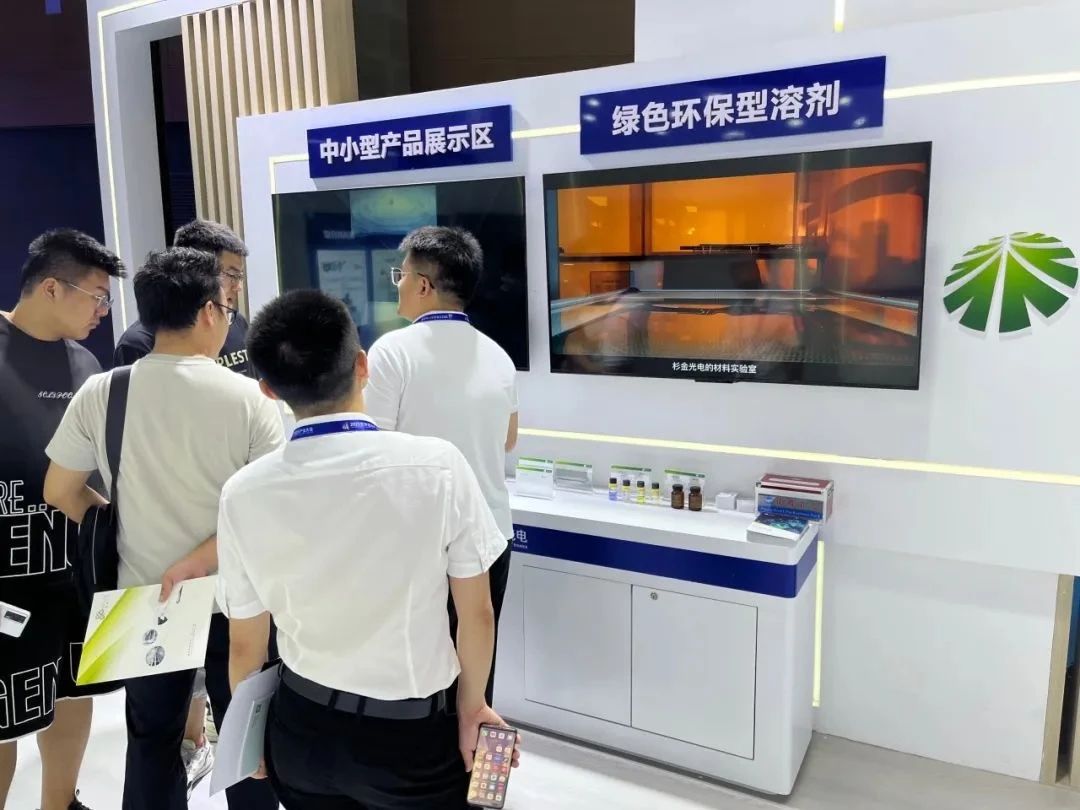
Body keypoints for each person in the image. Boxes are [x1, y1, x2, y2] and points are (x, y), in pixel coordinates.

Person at [218, 290, 517, 808]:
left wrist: (248, 735)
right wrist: (473, 708)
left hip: (301, 729)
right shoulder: (437, 466)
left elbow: (246, 644)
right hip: (411, 737)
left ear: (267, 389)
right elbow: (477, 614)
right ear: (362, 366)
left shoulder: (243, 491)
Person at [43, 248, 283, 810]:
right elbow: (269, 509)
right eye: (226, 307)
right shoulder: (249, 398)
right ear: (208, 311)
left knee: (151, 745)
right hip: (236, 601)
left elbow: (59, 490)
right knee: (247, 748)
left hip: (142, 598)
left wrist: (116, 517)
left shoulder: (105, 390)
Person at [113, 219, 250, 793]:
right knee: (154, 733)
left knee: (242, 721)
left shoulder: (240, 330)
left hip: (231, 572)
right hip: (155, 582)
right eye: (228, 275)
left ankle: (201, 743)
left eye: (239, 276)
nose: (235, 289)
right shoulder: (137, 345)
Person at [365, 226, 518, 706]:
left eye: (401, 275)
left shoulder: (391, 352)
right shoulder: (499, 356)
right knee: (476, 675)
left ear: (424, 285)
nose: (398, 284)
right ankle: (474, 750)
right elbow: (509, 439)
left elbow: (370, 449)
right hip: (490, 536)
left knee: (420, 681)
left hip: (419, 542)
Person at [0, 229, 125, 810]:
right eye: (96, 297)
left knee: (76, 689)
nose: (104, 311)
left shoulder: (86, 362)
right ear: (51, 287)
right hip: (7, 574)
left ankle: (60, 802)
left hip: (76, 563)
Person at [114, 219, 254, 378]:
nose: (238, 287)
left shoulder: (237, 322)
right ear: (197, 269)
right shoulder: (137, 343)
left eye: (239, 276)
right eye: (232, 275)